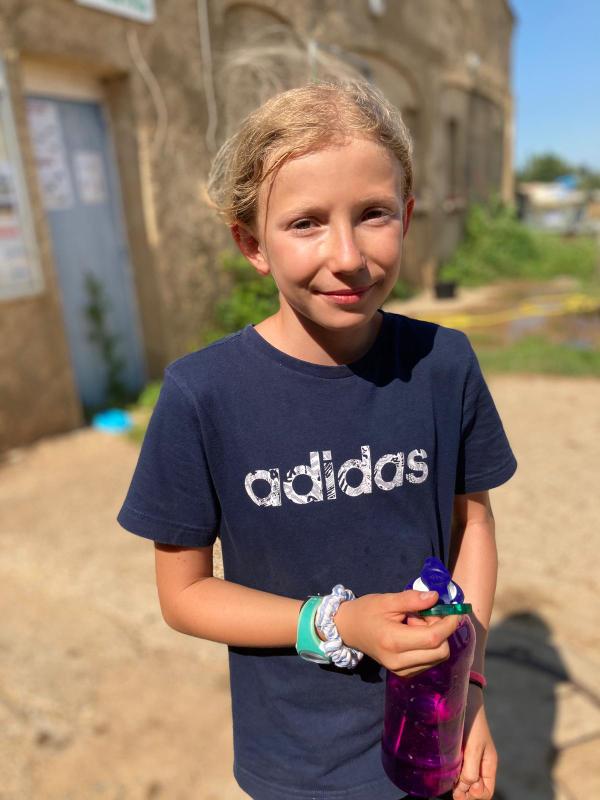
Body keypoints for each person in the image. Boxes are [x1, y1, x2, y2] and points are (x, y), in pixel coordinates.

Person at [117, 80, 517, 800]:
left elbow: (474, 528)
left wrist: (470, 687)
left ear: (407, 216)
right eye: (305, 223)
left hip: (435, 731)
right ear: (252, 243)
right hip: (297, 764)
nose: (347, 255)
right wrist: (337, 622)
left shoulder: (445, 363)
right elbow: (185, 594)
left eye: (373, 214)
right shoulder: (202, 394)